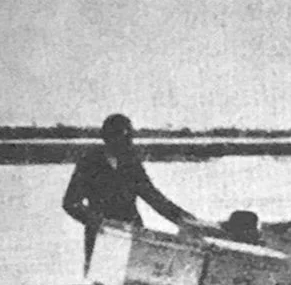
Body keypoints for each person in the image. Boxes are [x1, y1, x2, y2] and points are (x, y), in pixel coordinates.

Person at [63, 113, 207, 270]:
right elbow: (71, 203)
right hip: (101, 236)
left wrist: (183, 218)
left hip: (133, 234)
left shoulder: (131, 162)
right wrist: (97, 221)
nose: (127, 143)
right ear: (107, 138)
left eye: (128, 137)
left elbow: (153, 196)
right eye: (121, 137)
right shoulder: (89, 162)